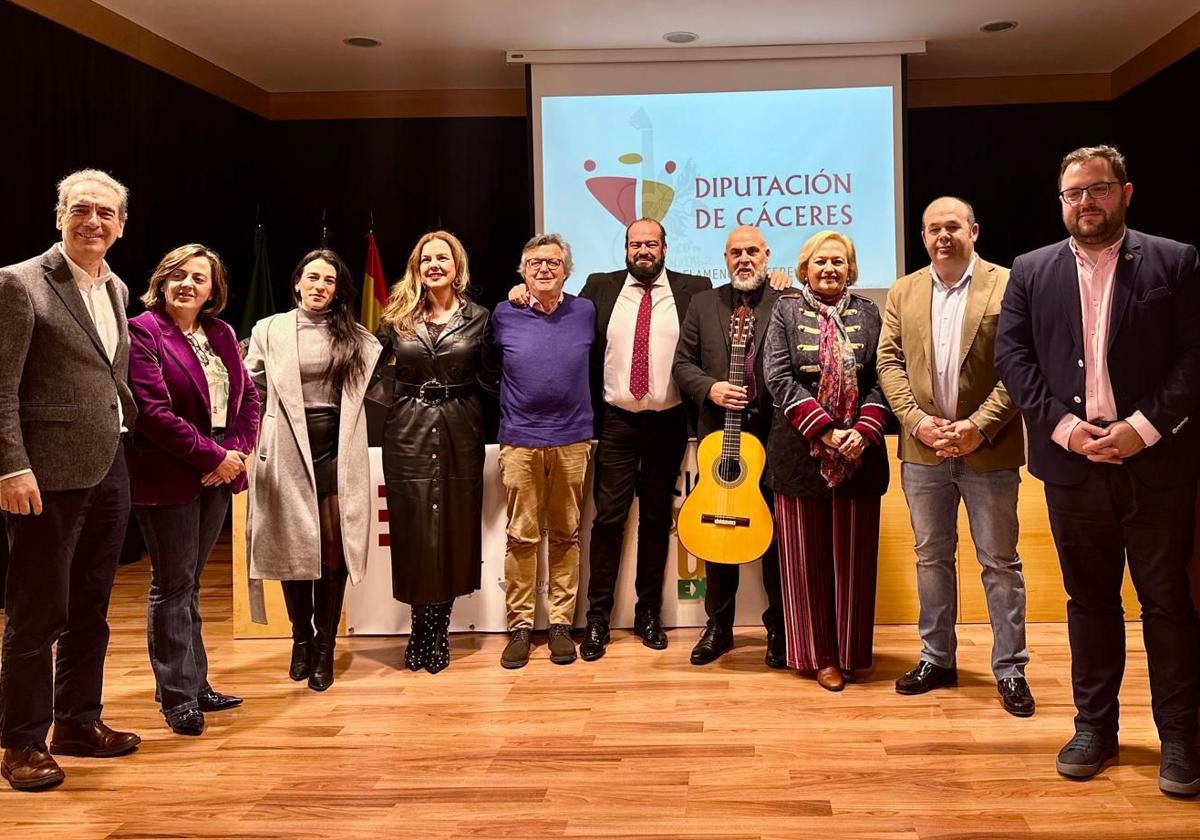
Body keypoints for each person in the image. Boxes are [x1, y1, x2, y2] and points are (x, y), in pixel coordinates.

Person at [995, 145, 1200, 796]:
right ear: (1060, 203)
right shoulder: (1030, 271)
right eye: (1073, 193)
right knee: (1089, 602)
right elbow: (1014, 355)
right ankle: (1095, 728)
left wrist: (1140, 431)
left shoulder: (1174, 260)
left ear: (1126, 192)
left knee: (1167, 603)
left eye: (1098, 188)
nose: (1086, 201)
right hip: (1073, 466)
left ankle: (1180, 738)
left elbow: (1194, 358)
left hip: (1157, 463)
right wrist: (1063, 428)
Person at [0, 170, 141, 791]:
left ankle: (78, 722)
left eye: (106, 213)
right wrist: (10, 463)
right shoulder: (19, 283)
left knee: (92, 606)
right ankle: (20, 743)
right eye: (81, 209)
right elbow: (0, 386)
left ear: (120, 225)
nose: (94, 221)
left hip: (109, 466)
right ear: (59, 215)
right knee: (37, 612)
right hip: (43, 476)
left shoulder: (116, 287)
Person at [876, 197, 1033, 717]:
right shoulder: (904, 289)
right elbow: (889, 360)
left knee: (1000, 563)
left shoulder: (1007, 283)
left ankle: (1010, 669)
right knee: (931, 558)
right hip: (923, 451)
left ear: (974, 230)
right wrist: (918, 421)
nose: (942, 236)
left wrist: (977, 426)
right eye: (933, 229)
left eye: (952, 227)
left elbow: (1020, 363)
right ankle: (937, 658)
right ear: (922, 237)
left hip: (988, 449)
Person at [128, 245, 260, 734]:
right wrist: (215, 457)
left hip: (219, 468)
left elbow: (250, 398)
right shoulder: (142, 332)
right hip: (171, 473)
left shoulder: (221, 333)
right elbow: (153, 413)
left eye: (198, 278)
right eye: (179, 275)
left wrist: (239, 452)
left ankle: (197, 682)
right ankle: (177, 696)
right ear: (162, 280)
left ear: (213, 290)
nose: (187, 284)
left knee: (190, 582)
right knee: (171, 585)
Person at [245, 249, 380, 691]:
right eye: (313, 278)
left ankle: (325, 645)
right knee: (292, 548)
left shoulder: (356, 337)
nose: (320, 286)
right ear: (297, 282)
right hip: (287, 446)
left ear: (338, 289)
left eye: (329, 281)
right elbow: (251, 384)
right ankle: (300, 637)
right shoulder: (270, 330)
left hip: (336, 447)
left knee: (331, 549)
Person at [762, 230, 890, 692]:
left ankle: (853, 652)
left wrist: (862, 432)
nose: (829, 269)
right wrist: (827, 430)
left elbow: (883, 377)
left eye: (838, 261)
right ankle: (820, 656)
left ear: (851, 269)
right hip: (799, 455)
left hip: (860, 454)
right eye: (820, 262)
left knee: (854, 562)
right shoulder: (785, 311)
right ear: (805, 269)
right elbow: (777, 377)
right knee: (805, 560)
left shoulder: (870, 313)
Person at [373, 231, 498, 674]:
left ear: (457, 267)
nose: (434, 265)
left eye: (442, 258)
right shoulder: (396, 317)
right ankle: (418, 628)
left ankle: (439, 629)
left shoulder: (481, 318)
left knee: (452, 526)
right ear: (416, 267)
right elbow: (371, 374)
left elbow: (493, 378)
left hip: (460, 427)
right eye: (426, 259)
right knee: (413, 529)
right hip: (406, 429)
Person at [673, 225, 785, 667]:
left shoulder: (787, 300)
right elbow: (682, 364)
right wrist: (711, 388)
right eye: (736, 252)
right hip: (720, 439)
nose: (744, 259)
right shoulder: (704, 303)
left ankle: (779, 628)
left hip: (777, 439)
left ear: (766, 255)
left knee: (776, 538)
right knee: (720, 535)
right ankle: (718, 627)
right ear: (724, 257)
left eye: (752, 251)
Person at [492, 234, 595, 669]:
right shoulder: (503, 313)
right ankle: (519, 626)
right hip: (519, 439)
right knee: (521, 536)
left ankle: (559, 625)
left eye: (553, 262)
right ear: (522, 271)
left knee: (567, 534)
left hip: (573, 439)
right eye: (534, 262)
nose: (544, 269)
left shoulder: (585, 311)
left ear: (566, 270)